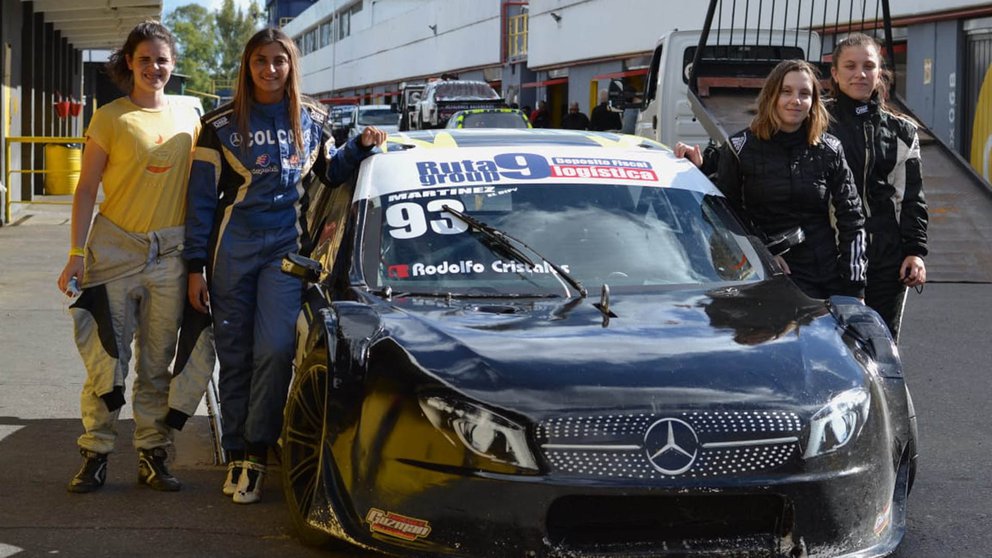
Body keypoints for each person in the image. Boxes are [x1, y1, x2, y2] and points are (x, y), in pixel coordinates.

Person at [183, 27, 386, 505]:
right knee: (235, 356)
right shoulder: (219, 124)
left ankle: (257, 450)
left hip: (284, 252)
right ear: (247, 66)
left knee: (274, 349)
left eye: (279, 60)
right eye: (260, 60)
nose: (270, 69)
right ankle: (236, 452)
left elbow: (330, 173)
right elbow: (199, 204)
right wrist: (196, 266)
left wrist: (360, 145)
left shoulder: (313, 118)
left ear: (291, 65)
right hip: (230, 252)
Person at [56, 20, 200, 493]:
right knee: (108, 360)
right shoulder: (110, 117)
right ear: (130, 64)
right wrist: (77, 253)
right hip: (115, 252)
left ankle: (152, 455)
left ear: (172, 64)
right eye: (145, 59)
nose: (154, 67)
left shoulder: (190, 116)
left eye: (161, 59)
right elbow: (85, 189)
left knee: (157, 363)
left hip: (170, 257)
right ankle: (95, 453)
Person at [684, 59, 867, 299]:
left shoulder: (830, 149)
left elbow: (852, 218)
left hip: (825, 278)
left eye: (804, 93)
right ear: (771, 96)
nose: (795, 100)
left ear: (813, 102)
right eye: (786, 91)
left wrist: (855, 287)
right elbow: (724, 217)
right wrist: (762, 254)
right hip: (762, 279)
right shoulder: (740, 148)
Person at [826, 33, 928, 342]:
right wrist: (703, 158)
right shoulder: (815, 121)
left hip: (886, 259)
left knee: (882, 348)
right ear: (835, 72)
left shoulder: (903, 130)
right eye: (850, 66)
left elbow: (912, 197)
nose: (860, 74)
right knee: (831, 350)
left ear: (879, 71)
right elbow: (758, 147)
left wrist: (915, 251)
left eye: (869, 66)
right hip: (829, 256)